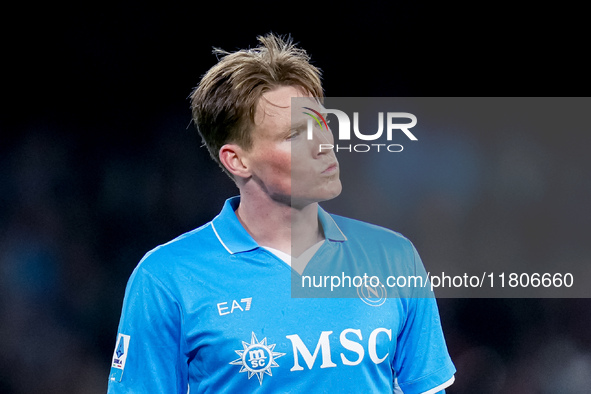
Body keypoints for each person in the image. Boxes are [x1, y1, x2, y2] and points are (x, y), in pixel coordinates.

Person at [107, 33, 456, 393]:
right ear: (237, 160)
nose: (323, 144)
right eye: (294, 135)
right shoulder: (166, 278)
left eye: (323, 123)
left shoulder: (393, 257)